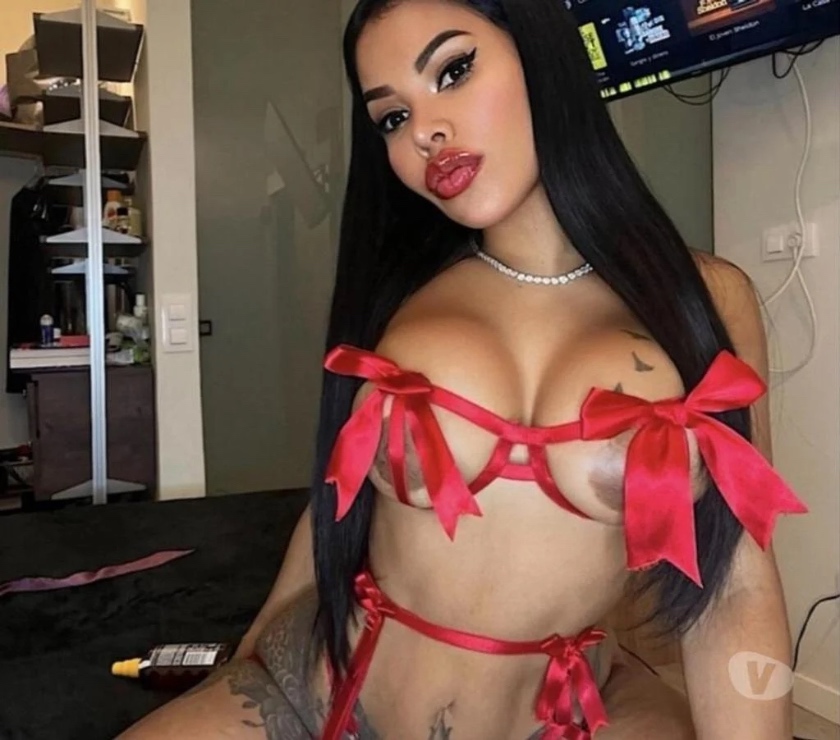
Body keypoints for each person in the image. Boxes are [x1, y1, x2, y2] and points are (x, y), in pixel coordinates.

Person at [118, 0, 808, 737]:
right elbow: (336, 503)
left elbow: (735, 584)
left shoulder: (705, 301)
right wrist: (252, 645)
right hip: (322, 691)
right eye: (392, 117)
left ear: (541, 54)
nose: (424, 131)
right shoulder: (400, 294)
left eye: (453, 71)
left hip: (559, 717)